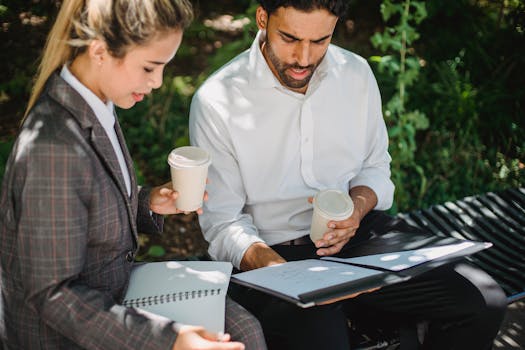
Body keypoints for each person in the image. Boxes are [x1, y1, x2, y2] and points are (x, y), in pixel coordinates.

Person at [189, 0, 508, 349]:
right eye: (290, 38)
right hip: (272, 254)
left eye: (320, 40)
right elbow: (223, 222)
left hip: (357, 239)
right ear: (262, 18)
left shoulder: (355, 75)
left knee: (483, 301)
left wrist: (357, 210)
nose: (304, 58)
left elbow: (374, 168)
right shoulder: (217, 100)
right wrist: (282, 273)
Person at [0, 1, 268, 349]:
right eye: (149, 67)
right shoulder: (53, 148)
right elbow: (53, 294)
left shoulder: (98, 101)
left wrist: (146, 202)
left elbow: (85, 202)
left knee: (243, 330)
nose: (157, 82)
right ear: (100, 51)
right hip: (63, 331)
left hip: (115, 289)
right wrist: (168, 340)